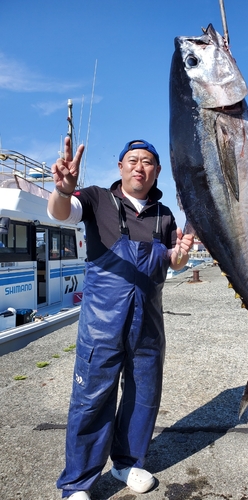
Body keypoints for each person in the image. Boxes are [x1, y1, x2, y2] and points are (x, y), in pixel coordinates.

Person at [48, 137, 194, 500]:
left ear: (157, 171)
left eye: (147, 161)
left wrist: (182, 255)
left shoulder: (164, 215)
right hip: (101, 323)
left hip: (148, 322)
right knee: (91, 398)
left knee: (143, 396)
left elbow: (172, 264)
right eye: (132, 160)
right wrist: (63, 192)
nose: (139, 167)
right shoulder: (97, 199)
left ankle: (127, 463)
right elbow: (61, 213)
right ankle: (77, 482)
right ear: (120, 167)